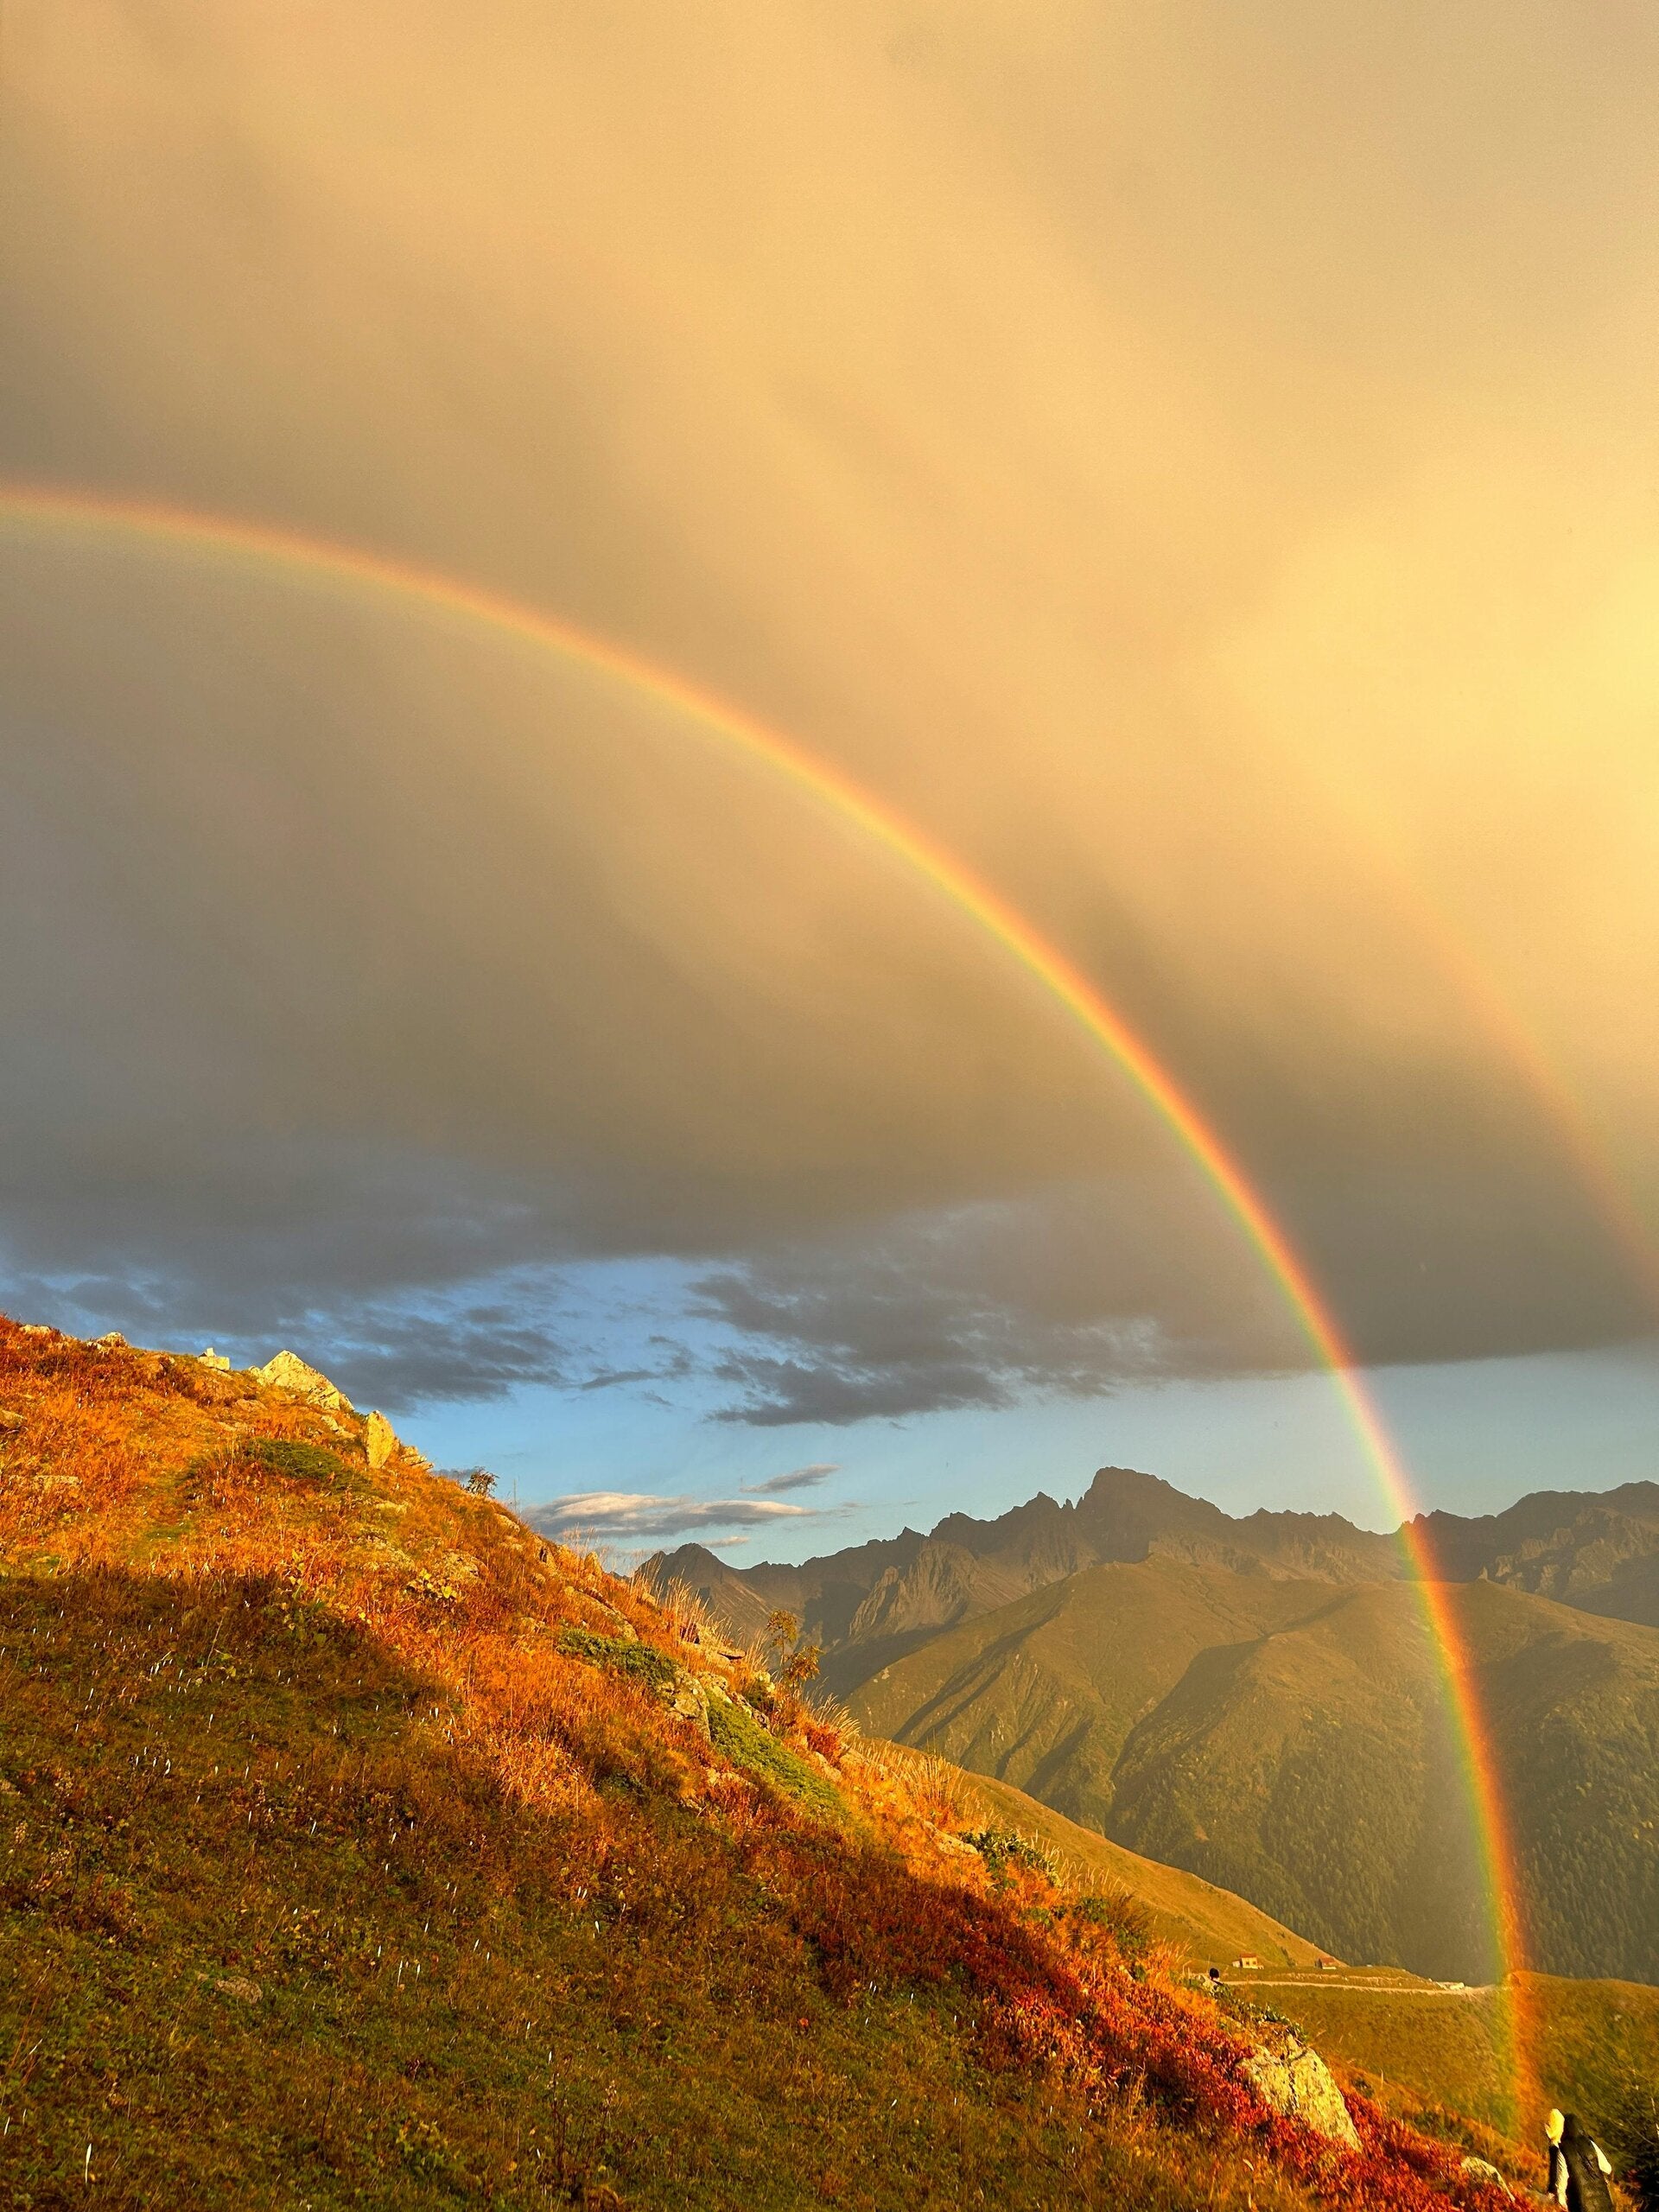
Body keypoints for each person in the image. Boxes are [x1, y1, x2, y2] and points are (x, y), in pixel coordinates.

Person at [1546, 2108, 1615, 2211]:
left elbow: (1562, 2179)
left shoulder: (1563, 2149)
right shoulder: (1591, 2144)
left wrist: (1561, 2201)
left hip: (1581, 2205)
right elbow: (1607, 2168)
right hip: (1604, 2203)